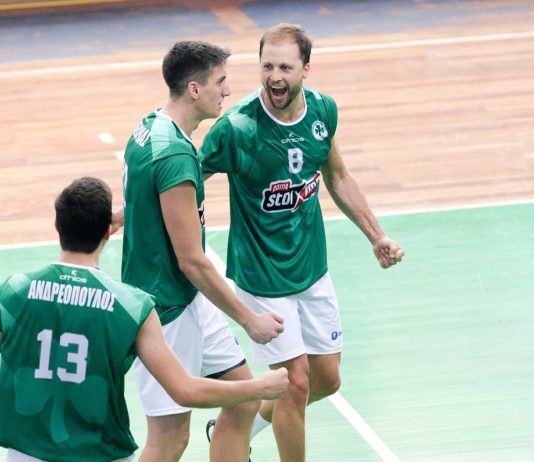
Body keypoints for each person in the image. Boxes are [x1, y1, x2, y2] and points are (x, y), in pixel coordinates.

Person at [200, 23, 405, 462]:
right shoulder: (237, 128)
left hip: (311, 268)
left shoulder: (322, 111)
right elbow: (186, 178)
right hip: (260, 274)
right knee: (294, 383)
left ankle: (236, 427)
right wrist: (138, 214)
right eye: (267, 66)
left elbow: (337, 176)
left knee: (326, 379)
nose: (275, 77)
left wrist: (377, 235)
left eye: (285, 68)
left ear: (306, 70)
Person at [0, 177, 289, 462]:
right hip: (100, 454)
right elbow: (185, 391)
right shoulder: (130, 305)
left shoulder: (15, 291)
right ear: (107, 232)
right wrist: (260, 388)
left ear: (57, 225)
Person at [120, 41, 285, 462]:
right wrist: (249, 319)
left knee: (244, 399)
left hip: (188, 300)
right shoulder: (176, 155)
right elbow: (192, 260)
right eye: (220, 81)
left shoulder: (150, 127)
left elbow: (146, 193)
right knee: (170, 440)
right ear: (194, 89)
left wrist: (125, 213)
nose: (227, 91)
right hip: (166, 311)